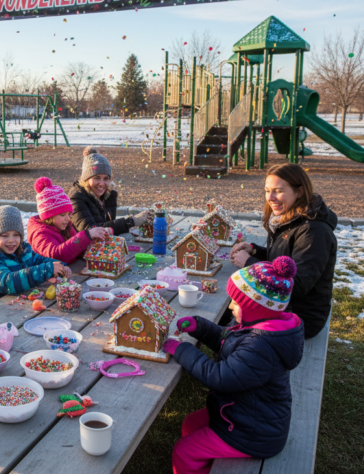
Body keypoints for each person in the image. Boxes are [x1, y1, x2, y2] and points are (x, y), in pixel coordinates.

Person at [162, 257, 305, 474]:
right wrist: (199, 327)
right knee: (191, 424)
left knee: (184, 451)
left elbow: (219, 377)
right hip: (245, 416)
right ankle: (208, 463)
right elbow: (226, 340)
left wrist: (181, 350)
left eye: (235, 303)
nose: (230, 306)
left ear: (254, 308)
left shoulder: (260, 345)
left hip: (253, 434)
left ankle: (198, 462)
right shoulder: (260, 329)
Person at [229, 163, 337, 338]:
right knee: (231, 303)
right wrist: (255, 251)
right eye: (267, 190)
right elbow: (282, 260)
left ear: (299, 192)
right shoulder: (287, 219)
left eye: (278, 191)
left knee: (234, 308)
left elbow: (298, 285)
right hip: (281, 305)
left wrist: (249, 263)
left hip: (301, 316)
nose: (270, 197)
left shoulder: (313, 231)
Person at [0, 205, 70, 306]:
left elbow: (39, 260)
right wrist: (46, 269)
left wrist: (60, 266)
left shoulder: (23, 249)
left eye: (16, 235)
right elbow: (6, 282)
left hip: (19, 302)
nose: (11, 240)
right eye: (4, 235)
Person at [27, 176, 109, 264]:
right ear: (48, 216)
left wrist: (95, 244)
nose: (68, 218)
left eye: (69, 214)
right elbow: (56, 256)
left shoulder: (65, 225)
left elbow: (76, 247)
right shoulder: (40, 234)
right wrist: (87, 235)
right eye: (62, 215)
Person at [69, 146, 150, 235]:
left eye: (106, 178)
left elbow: (110, 229)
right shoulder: (76, 198)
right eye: (97, 178)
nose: (102, 183)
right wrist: (132, 221)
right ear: (86, 179)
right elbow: (91, 231)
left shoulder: (108, 196)